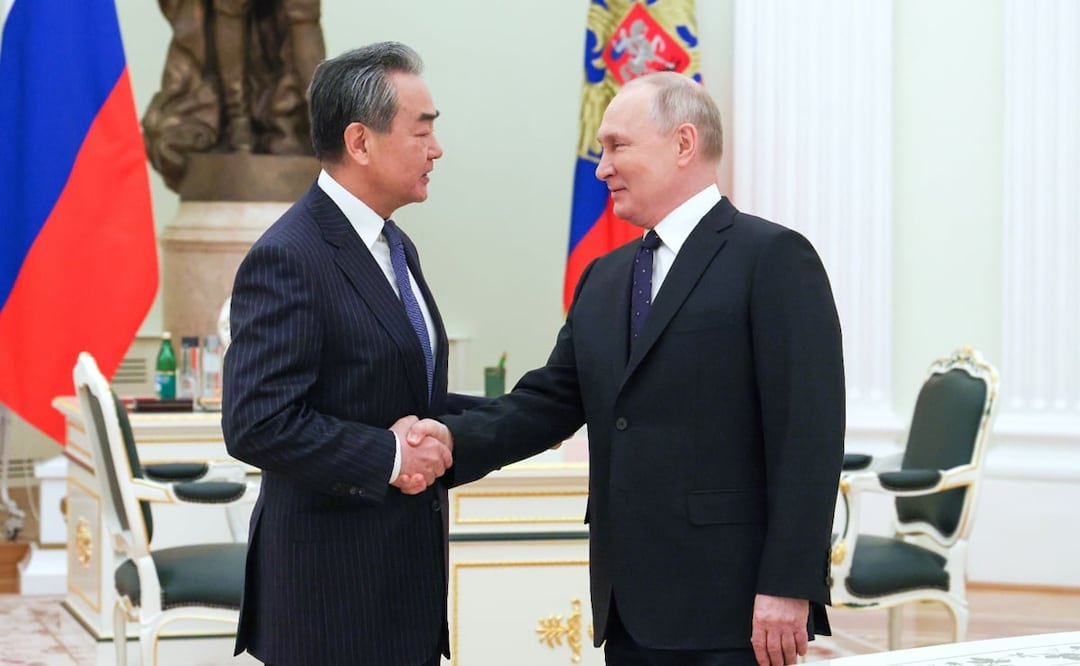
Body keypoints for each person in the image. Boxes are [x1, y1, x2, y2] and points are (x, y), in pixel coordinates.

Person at [410, 71, 846, 666]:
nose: (601, 168)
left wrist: (789, 585)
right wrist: (449, 440)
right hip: (629, 605)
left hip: (734, 605)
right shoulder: (606, 277)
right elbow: (550, 402)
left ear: (683, 144)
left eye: (617, 146)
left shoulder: (772, 258)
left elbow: (809, 435)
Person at [222, 42, 484, 666]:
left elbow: (405, 395)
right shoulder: (291, 255)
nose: (436, 148)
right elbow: (257, 422)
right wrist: (391, 455)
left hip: (402, 589)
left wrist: (533, 415)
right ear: (361, 142)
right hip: (331, 602)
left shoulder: (395, 246)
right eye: (422, 131)